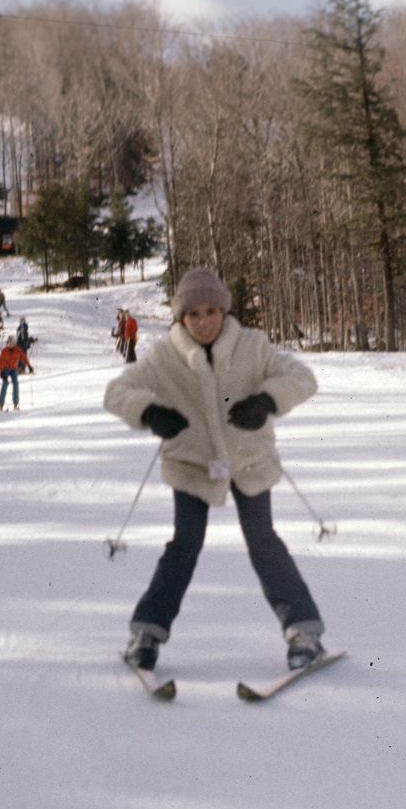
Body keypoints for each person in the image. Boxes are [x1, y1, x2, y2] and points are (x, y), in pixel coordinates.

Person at [104, 267, 325, 674]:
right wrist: (150, 412)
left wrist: (266, 401)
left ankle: (303, 630)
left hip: (248, 461)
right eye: (193, 314)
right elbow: (116, 393)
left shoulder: (252, 346)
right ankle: (147, 632)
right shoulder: (164, 356)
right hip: (192, 464)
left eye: (210, 311)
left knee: (263, 540)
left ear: (223, 310)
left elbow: (302, 377)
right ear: (180, 318)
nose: (203, 321)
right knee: (184, 545)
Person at [0, 336, 32, 411]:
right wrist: (1, 372)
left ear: (14, 343)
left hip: (14, 369)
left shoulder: (17, 350)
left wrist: (29, 365)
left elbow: (23, 357)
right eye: (9, 343)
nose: (10, 344)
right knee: (5, 384)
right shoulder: (4, 351)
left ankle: (16, 403)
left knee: (15, 384)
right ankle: (0, 404)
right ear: (7, 343)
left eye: (12, 343)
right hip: (5, 369)